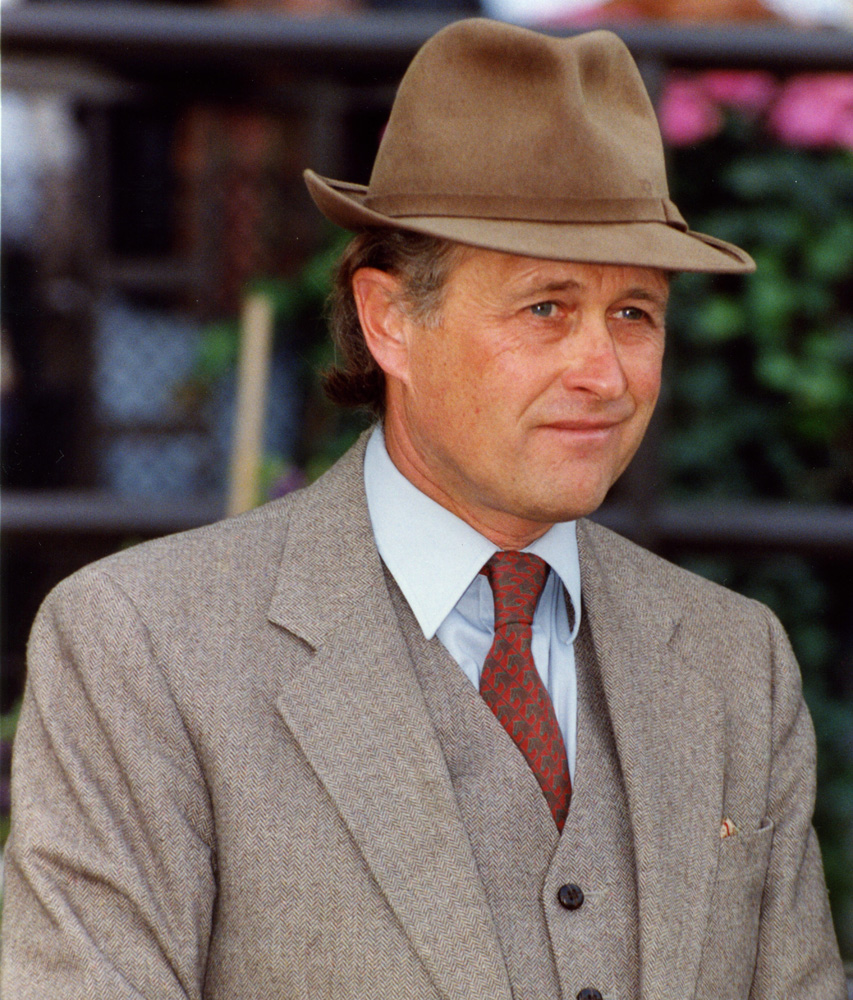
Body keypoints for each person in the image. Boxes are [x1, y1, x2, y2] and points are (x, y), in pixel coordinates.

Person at [2, 18, 845, 1000]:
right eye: (545, 307)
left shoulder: (736, 660)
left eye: (634, 313)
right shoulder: (142, 646)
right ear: (389, 319)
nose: (604, 372)